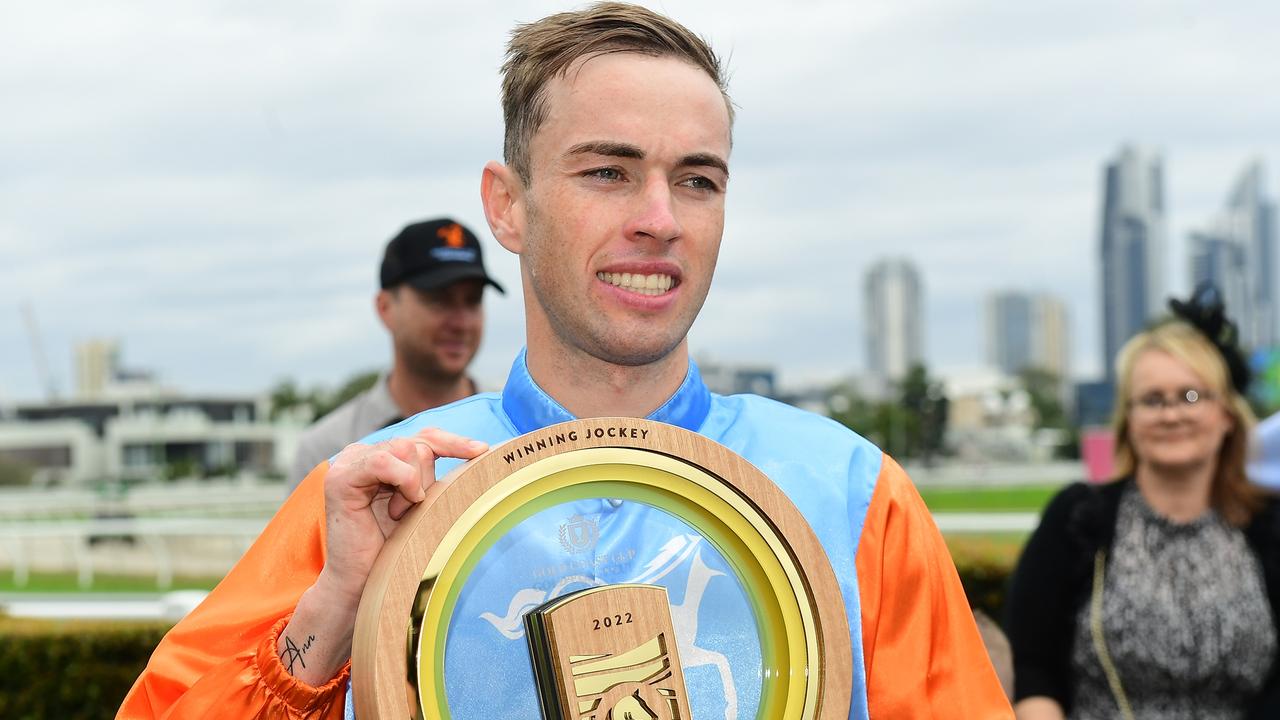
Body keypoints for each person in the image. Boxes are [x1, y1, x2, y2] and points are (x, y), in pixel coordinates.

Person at [118, 4, 1011, 718]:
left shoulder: (855, 494)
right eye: (608, 172)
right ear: (507, 207)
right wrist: (333, 610)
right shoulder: (376, 493)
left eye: (697, 179)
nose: (660, 217)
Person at [1005, 284, 1280, 720]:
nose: (1171, 414)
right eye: (1152, 400)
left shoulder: (1268, 526)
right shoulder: (1077, 519)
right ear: (1127, 419)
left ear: (1226, 415)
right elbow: (1034, 669)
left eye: (1190, 396)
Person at [287, 217, 504, 491]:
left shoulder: (516, 428)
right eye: (439, 300)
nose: (460, 322)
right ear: (385, 308)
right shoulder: (326, 449)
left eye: (472, 301)